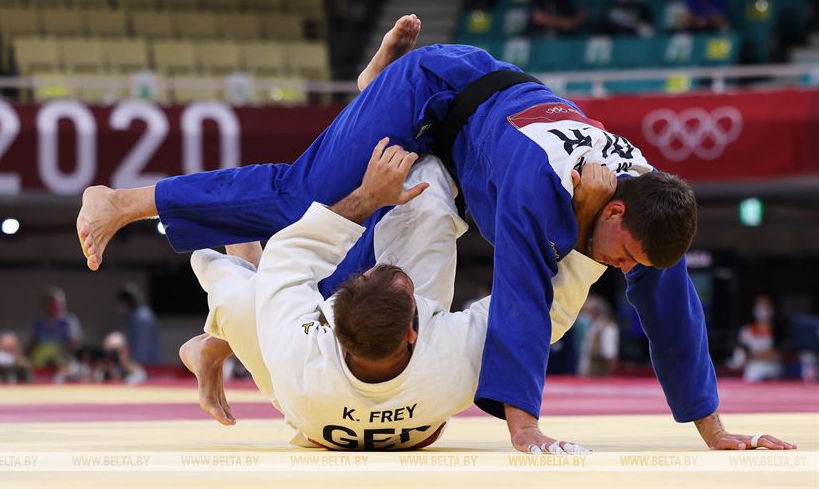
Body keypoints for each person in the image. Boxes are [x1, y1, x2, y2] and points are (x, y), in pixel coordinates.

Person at [76, 15, 795, 453]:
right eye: (624, 255)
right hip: (435, 93)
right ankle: (125, 200)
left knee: (372, 283)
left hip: (472, 130)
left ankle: (369, 100)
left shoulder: (648, 205)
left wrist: (714, 429)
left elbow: (674, 313)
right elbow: (523, 303)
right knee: (301, 198)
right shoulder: (540, 192)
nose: (623, 269)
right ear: (612, 213)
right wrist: (524, 428)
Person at [181, 145, 613, 451]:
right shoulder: (451, 356)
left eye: (370, 273)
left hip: (305, 404)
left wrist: (367, 198)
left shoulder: (299, 352)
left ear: (329, 320)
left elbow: (289, 254)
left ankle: (218, 337)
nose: (377, 266)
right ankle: (423, 143)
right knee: (427, 211)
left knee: (243, 296)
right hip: (408, 395)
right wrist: (586, 218)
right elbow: (542, 313)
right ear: (413, 332)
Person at [26, 286, 83, 368]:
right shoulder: (38, 323)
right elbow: (31, 345)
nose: (54, 305)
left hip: (64, 363)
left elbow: (76, 344)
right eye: (50, 302)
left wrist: (65, 351)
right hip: (41, 364)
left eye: (58, 302)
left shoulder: (69, 322)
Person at [732, 295, 782, 382]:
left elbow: (779, 355)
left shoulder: (778, 330)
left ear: (772, 309)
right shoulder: (746, 330)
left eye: (766, 306)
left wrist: (754, 355)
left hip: (774, 373)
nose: (763, 310)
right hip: (752, 373)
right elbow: (741, 354)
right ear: (754, 309)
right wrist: (762, 355)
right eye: (760, 306)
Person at [117, 283, 160, 365]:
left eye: (125, 300)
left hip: (147, 365)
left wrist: (136, 365)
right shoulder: (133, 315)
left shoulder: (143, 317)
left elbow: (142, 346)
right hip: (139, 364)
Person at [576, 295, 619, 376]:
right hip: (584, 370)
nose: (583, 314)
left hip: (599, 372)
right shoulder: (586, 326)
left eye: (586, 311)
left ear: (595, 311)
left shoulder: (608, 327)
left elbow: (610, 355)